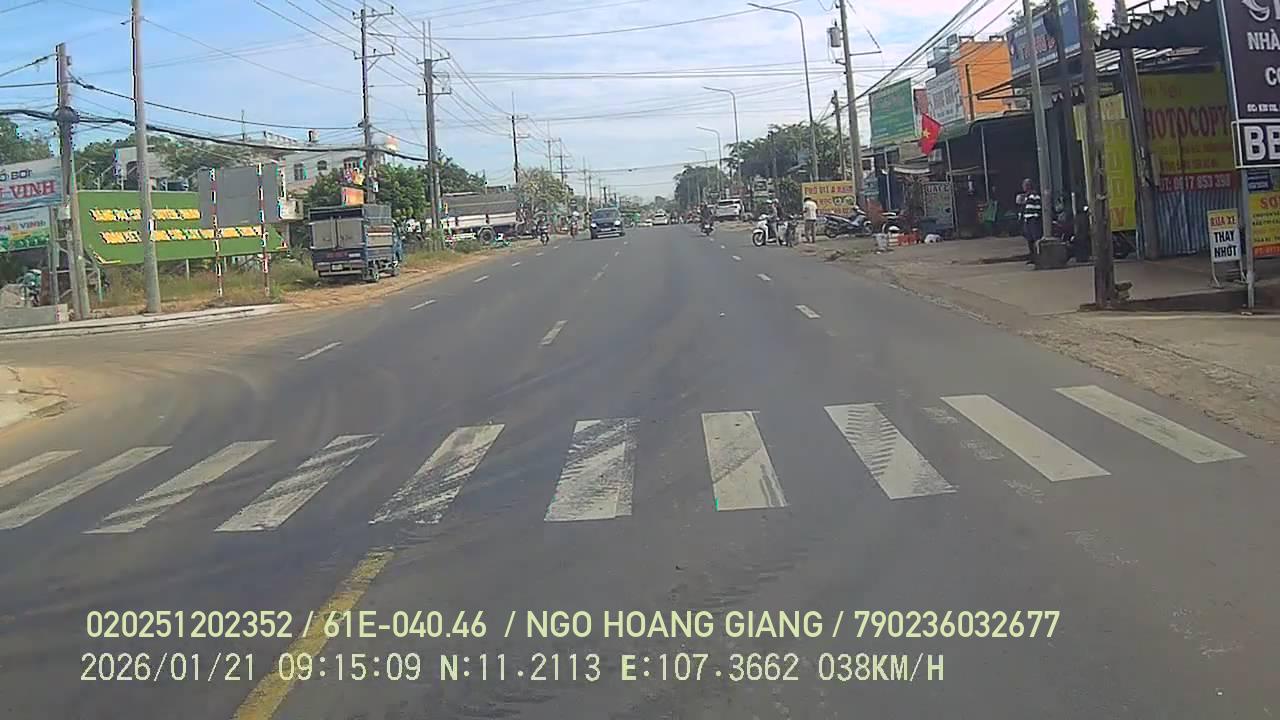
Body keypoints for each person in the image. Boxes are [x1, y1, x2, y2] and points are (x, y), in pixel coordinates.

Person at [1017, 178, 1043, 265]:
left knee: (1035, 239)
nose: (1023, 187)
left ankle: (1038, 257)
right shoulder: (1027, 196)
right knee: (1030, 239)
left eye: (1025, 185)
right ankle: (1033, 257)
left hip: (1033, 220)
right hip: (1028, 219)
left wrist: (1035, 217)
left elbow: (1038, 208)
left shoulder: (1034, 195)